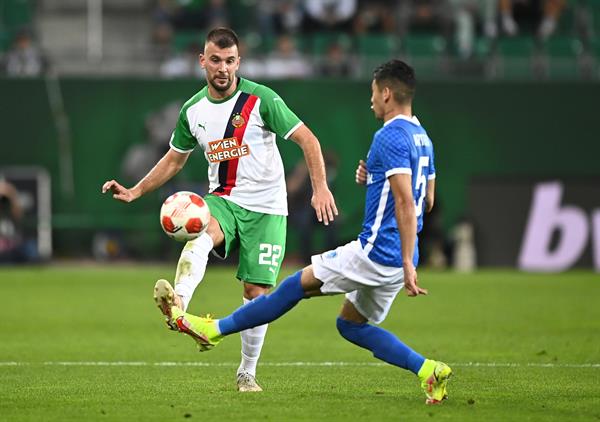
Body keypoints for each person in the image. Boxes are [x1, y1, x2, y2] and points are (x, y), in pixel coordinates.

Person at [166, 59, 453, 404]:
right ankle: (428, 371)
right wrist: (374, 180)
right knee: (351, 326)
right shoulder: (422, 137)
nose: (372, 101)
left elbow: (407, 203)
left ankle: (213, 330)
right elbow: (428, 200)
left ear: (388, 93)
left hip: (378, 252)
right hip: (396, 259)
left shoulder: (389, 135)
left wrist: (406, 260)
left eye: (375, 93)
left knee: (291, 287)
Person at [102, 27, 337, 392]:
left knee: (256, 294)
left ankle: (246, 372)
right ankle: (179, 305)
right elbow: (174, 160)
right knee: (200, 233)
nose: (222, 68)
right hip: (224, 200)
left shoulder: (262, 100)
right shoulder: (192, 110)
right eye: (215, 60)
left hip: (268, 209)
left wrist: (320, 188)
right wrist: (136, 190)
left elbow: (309, 140)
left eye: (229, 61)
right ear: (202, 61)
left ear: (238, 62)